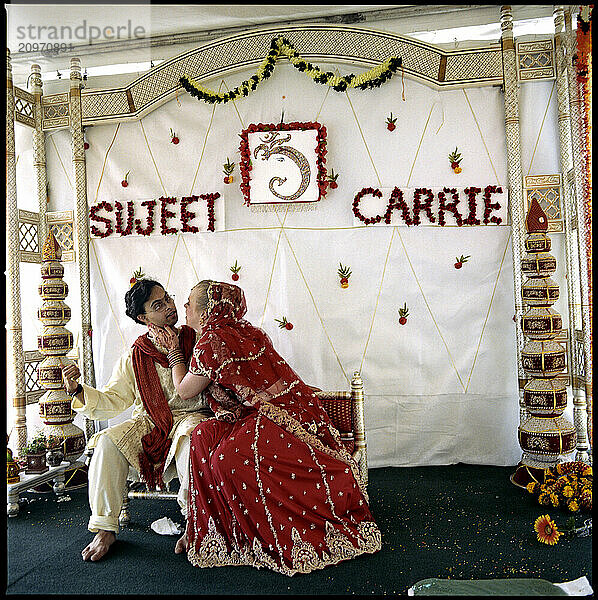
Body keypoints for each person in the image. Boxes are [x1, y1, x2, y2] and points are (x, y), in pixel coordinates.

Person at [151, 280, 381, 576]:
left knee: (226, 460)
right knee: (201, 438)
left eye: (189, 303)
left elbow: (184, 391)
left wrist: (174, 353)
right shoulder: (248, 331)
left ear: (207, 312)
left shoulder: (210, 341)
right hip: (246, 415)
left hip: (263, 415)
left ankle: (268, 534)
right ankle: (213, 528)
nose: (184, 308)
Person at [62, 278, 213, 561]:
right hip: (149, 423)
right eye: (159, 305)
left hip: (191, 416)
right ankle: (105, 528)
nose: (170, 306)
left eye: (168, 298)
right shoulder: (136, 355)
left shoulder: (197, 339)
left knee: (193, 437)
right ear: (143, 318)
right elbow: (112, 400)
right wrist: (78, 391)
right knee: (107, 442)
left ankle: (195, 523)